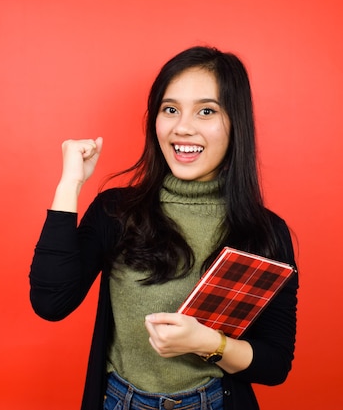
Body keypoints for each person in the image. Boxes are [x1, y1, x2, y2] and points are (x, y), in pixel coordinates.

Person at [29, 46, 299, 410]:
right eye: (170, 109)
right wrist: (69, 186)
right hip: (119, 401)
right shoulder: (116, 211)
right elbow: (51, 302)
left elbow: (275, 365)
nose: (182, 127)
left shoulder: (266, 233)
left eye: (206, 111)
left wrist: (208, 344)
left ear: (236, 123)